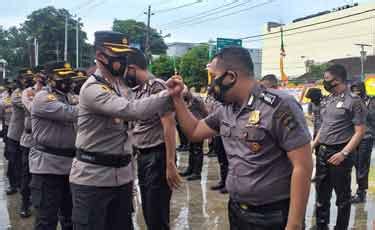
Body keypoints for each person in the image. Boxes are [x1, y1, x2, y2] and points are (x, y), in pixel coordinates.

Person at [167, 46, 313, 229]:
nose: (210, 85)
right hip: (236, 209)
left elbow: (303, 166)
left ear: (230, 77)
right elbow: (195, 131)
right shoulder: (226, 109)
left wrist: (294, 224)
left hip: (271, 216)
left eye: (213, 77)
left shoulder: (279, 106)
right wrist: (178, 99)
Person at [69, 31, 175, 230]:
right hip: (93, 180)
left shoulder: (121, 86)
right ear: (101, 56)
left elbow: (141, 102)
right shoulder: (93, 88)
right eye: (119, 55)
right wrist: (168, 94)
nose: (124, 60)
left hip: (122, 178)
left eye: (126, 55)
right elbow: (131, 110)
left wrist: (163, 90)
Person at [127, 48, 181, 230]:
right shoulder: (139, 89)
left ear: (133, 68)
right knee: (149, 213)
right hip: (144, 156)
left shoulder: (157, 87)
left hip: (157, 156)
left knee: (156, 215)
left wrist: (170, 163)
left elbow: (169, 124)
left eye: (126, 70)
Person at [312, 64, 367, 230]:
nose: (325, 83)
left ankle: (340, 227)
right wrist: (313, 144)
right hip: (323, 151)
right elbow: (325, 125)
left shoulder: (354, 101)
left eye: (327, 79)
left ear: (337, 80)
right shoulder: (329, 99)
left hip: (340, 153)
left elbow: (360, 131)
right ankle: (321, 225)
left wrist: (344, 153)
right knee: (321, 194)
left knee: (342, 198)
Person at [30, 62, 78, 230]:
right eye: (62, 77)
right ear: (50, 80)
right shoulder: (43, 97)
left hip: (69, 167)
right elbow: (70, 113)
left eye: (69, 77)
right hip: (47, 167)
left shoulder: (68, 96)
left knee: (70, 217)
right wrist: (93, 105)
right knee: (46, 219)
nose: (67, 81)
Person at [19, 67, 46, 218]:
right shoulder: (29, 92)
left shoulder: (52, 92)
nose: (42, 77)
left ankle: (39, 204)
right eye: (40, 75)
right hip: (30, 140)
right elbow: (32, 108)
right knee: (27, 175)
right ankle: (24, 203)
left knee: (42, 179)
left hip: (46, 141)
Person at [6, 69, 33, 195]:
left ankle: (23, 186)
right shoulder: (17, 94)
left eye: (29, 77)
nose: (27, 80)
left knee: (23, 165)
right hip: (16, 134)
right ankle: (12, 185)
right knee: (13, 161)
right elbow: (27, 105)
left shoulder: (32, 93)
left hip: (27, 135)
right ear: (19, 80)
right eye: (24, 78)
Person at [350, 81, 375, 203]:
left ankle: (361, 193)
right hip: (353, 138)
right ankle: (359, 190)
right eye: (353, 90)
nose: (356, 92)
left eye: (358, 89)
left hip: (367, 137)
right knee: (356, 164)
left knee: (362, 166)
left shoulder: (371, 101)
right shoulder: (352, 102)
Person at [179, 87, 208, 181]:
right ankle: (190, 169)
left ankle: (197, 172)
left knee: (197, 150)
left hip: (199, 125)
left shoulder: (196, 99)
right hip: (191, 127)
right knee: (191, 148)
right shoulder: (186, 99)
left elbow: (205, 111)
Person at [305, 88, 323, 182]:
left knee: (323, 154)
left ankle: (323, 175)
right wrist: (310, 117)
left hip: (324, 131)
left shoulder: (324, 103)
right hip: (316, 130)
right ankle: (318, 175)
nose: (311, 100)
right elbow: (308, 114)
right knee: (317, 153)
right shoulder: (311, 103)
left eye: (312, 98)